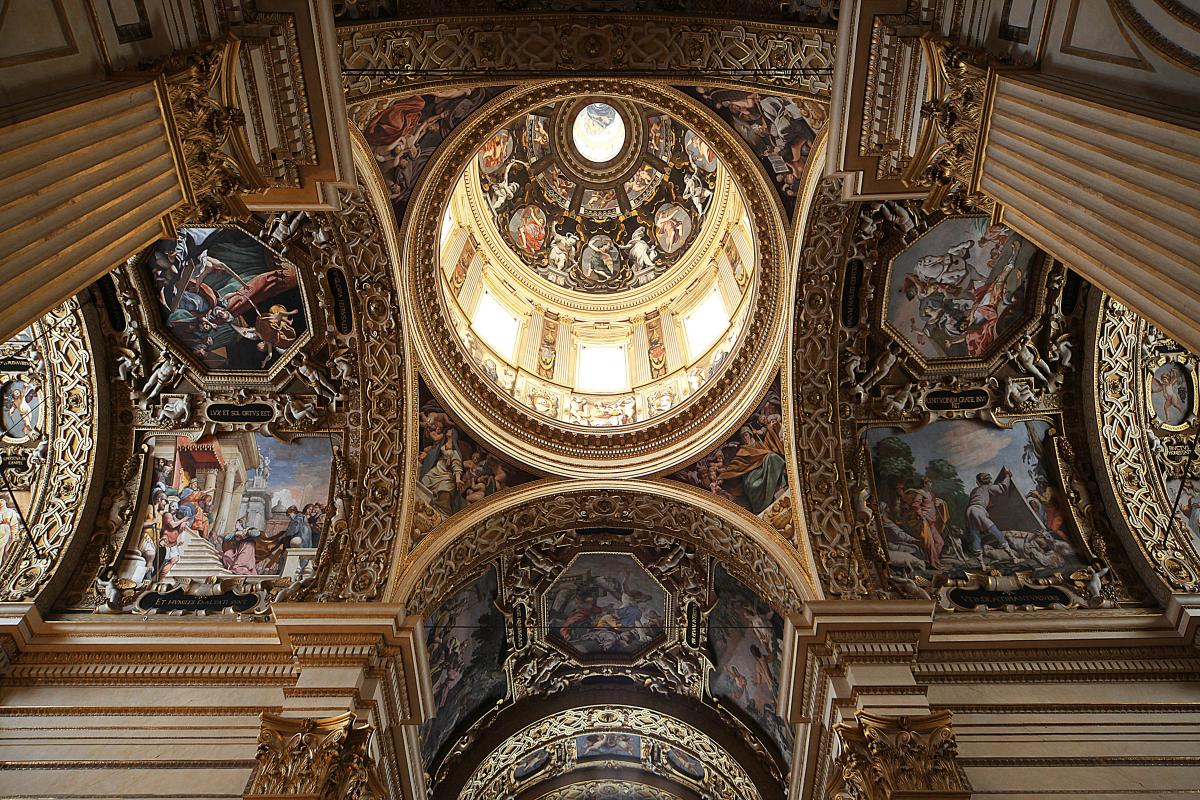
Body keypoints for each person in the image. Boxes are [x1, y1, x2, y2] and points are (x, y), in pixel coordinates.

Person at [965, 469, 1019, 557]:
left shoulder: (974, 490)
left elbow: (978, 501)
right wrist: (1008, 477)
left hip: (969, 511)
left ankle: (982, 565)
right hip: (978, 510)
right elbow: (1002, 488)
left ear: (978, 482)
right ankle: (1014, 557)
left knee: (976, 537)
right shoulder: (988, 487)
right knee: (996, 532)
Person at [900, 477, 948, 568]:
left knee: (940, 542)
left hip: (931, 522)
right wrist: (921, 515)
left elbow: (932, 503)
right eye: (930, 483)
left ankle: (931, 561)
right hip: (924, 521)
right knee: (930, 544)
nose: (931, 484)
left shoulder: (930, 493)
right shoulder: (920, 493)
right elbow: (915, 505)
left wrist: (939, 502)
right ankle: (933, 563)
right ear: (925, 484)